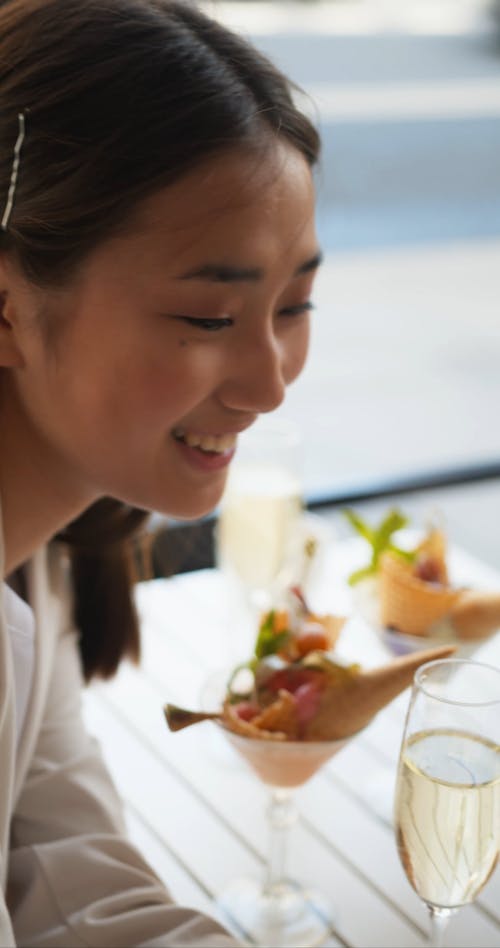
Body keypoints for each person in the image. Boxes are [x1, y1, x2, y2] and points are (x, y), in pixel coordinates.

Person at [0, 0, 321, 943]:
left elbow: (72, 882)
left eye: (296, 304)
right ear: (9, 308)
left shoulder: (40, 563)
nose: (269, 386)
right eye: (210, 318)